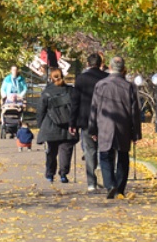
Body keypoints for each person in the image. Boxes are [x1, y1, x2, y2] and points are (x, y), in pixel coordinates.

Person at [89, 56, 142, 199]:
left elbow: (94, 108)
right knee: (123, 157)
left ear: (110, 68)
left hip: (105, 125)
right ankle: (119, 188)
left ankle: (110, 184)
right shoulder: (129, 86)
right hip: (123, 126)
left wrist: (92, 129)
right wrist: (136, 132)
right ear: (123, 68)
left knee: (105, 156)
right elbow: (135, 111)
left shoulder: (101, 85)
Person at [69, 52, 109, 191]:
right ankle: (106, 178)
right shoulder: (106, 78)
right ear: (100, 64)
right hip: (104, 119)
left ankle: (91, 182)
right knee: (103, 149)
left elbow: (75, 102)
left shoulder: (81, 79)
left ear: (87, 64)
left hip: (85, 119)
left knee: (90, 150)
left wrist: (72, 123)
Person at [36, 68, 78, 183]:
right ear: (63, 76)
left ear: (51, 78)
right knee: (66, 150)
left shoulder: (46, 92)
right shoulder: (70, 91)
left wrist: (40, 125)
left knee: (51, 151)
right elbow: (76, 108)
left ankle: (50, 174)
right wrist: (75, 124)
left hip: (51, 126)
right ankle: (63, 174)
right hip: (68, 126)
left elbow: (41, 110)